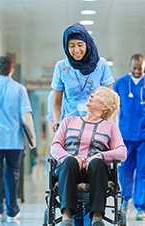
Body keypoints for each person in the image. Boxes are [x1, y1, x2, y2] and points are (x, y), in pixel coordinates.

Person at [50, 87, 127, 226]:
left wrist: (100, 156)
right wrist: (71, 157)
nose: (92, 95)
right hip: (69, 171)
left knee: (97, 163)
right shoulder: (68, 121)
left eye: (99, 95)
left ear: (105, 107)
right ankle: (66, 216)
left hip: (95, 173)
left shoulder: (110, 126)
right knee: (69, 162)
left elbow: (122, 152)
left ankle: (97, 217)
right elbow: (54, 147)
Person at [0, 55, 37, 222]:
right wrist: (33, 138)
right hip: (13, 140)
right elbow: (26, 116)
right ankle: (12, 211)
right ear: (12, 70)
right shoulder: (19, 89)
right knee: (12, 173)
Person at [113, 54, 145, 221]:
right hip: (125, 135)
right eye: (134, 68)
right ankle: (125, 200)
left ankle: (141, 207)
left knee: (143, 171)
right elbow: (113, 108)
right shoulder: (120, 83)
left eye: (140, 69)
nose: (137, 71)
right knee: (124, 170)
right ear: (130, 65)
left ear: (144, 67)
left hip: (144, 136)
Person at [51, 23, 115, 132]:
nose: (76, 50)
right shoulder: (61, 67)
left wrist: (111, 123)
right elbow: (57, 101)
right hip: (70, 126)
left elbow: (111, 100)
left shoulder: (101, 64)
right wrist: (57, 121)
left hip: (96, 125)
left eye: (80, 45)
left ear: (87, 44)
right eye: (71, 46)